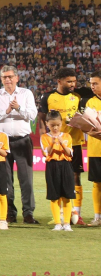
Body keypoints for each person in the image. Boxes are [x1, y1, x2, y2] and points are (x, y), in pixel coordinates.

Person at [0, 66, 38, 224]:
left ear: (17, 78)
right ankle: (9, 213)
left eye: (10, 77)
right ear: (1, 79)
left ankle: (28, 213)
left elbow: (32, 115)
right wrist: (8, 111)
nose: (7, 80)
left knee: (26, 179)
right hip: (2, 142)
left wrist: (19, 108)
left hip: (23, 140)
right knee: (5, 180)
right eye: (4, 77)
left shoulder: (26, 93)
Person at [38, 68, 86, 225]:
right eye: (69, 81)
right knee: (55, 179)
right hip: (54, 144)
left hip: (74, 142)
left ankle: (76, 214)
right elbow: (42, 119)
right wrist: (43, 138)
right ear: (59, 81)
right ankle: (58, 214)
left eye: (74, 81)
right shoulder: (48, 97)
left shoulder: (78, 96)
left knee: (75, 176)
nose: (73, 84)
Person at [40, 111, 76, 232]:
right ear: (47, 124)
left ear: (61, 124)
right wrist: (53, 142)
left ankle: (66, 223)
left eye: (58, 125)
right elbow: (46, 152)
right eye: (52, 125)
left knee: (66, 196)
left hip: (66, 166)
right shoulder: (44, 137)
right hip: (52, 166)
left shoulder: (67, 137)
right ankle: (57, 223)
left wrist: (61, 142)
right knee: (54, 197)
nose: (55, 128)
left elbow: (69, 153)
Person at [79, 70, 101, 227]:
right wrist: (91, 131)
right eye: (91, 84)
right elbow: (86, 127)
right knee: (97, 184)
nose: (92, 86)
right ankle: (97, 217)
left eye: (95, 83)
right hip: (95, 149)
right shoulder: (90, 103)